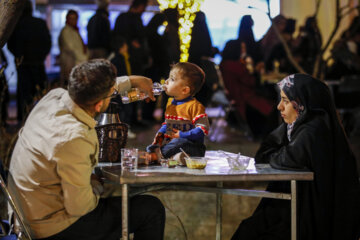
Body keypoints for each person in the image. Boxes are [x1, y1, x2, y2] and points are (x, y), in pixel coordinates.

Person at [8, 59, 165, 240]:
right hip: (50, 227)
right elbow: (79, 207)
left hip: (25, 211)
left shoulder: (52, 99)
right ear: (99, 105)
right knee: (150, 210)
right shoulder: (75, 137)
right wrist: (96, 185)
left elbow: (97, 91)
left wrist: (131, 81)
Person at [231, 74, 360, 240]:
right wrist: (277, 154)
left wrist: (277, 154)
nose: (279, 107)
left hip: (309, 216)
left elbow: (287, 158)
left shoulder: (315, 128)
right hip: (295, 207)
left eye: (285, 100)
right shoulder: (295, 126)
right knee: (251, 228)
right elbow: (263, 154)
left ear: (302, 103)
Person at [147, 62, 209, 161]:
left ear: (184, 90)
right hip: (173, 146)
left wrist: (182, 135)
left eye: (172, 79)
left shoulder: (195, 106)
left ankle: (159, 156)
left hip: (194, 147)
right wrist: (160, 135)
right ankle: (177, 158)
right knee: (151, 147)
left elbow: (202, 130)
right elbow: (167, 124)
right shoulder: (170, 104)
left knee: (180, 142)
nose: (166, 82)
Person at [7, 0, 51, 123]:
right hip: (38, 63)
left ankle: (24, 121)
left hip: (24, 64)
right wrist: (41, 56)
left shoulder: (17, 25)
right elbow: (47, 43)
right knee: (40, 94)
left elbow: (11, 45)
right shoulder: (40, 23)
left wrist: (19, 56)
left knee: (24, 95)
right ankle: (41, 121)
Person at [58, 9, 88, 88]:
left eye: (75, 18)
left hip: (76, 64)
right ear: (67, 19)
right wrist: (84, 58)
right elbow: (71, 49)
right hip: (70, 64)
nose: (73, 21)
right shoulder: (66, 31)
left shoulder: (74, 31)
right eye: (71, 18)